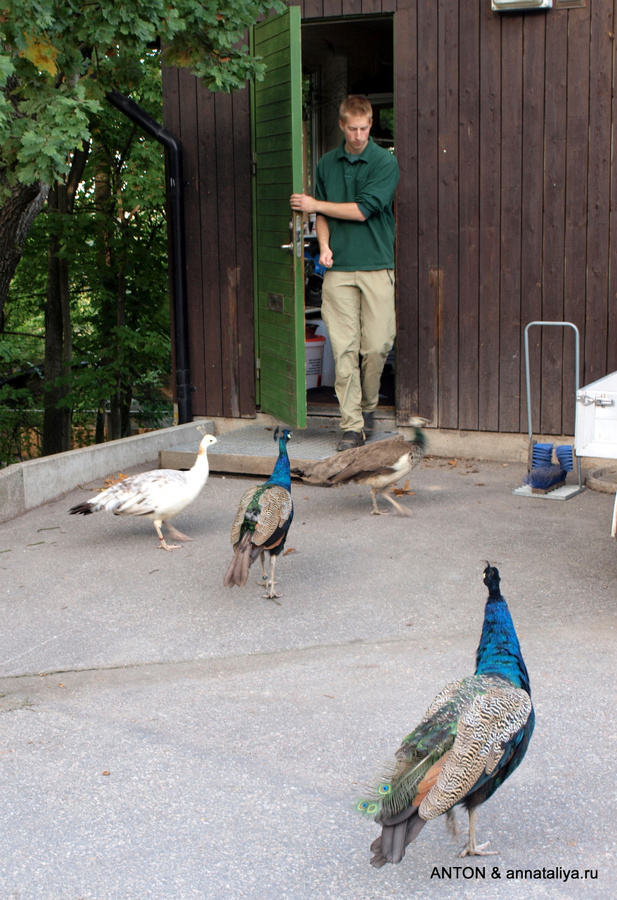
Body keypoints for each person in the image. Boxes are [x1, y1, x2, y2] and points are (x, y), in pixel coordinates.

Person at [290, 95, 399, 451]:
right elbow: (323, 217)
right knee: (344, 350)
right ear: (341, 125)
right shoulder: (326, 164)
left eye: (364, 128)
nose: (358, 135)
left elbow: (363, 210)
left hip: (377, 265)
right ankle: (351, 426)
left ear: (370, 124)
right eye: (352, 128)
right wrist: (323, 245)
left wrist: (313, 204)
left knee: (378, 345)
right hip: (339, 271)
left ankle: (367, 406)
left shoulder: (385, 162)